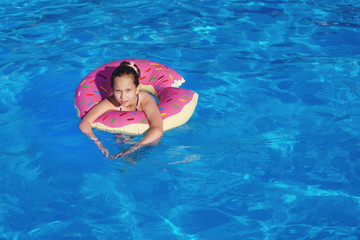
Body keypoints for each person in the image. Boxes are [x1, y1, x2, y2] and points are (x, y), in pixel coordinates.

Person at [78, 61, 163, 158]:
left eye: (128, 90)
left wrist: (132, 149)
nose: (123, 97)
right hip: (122, 135)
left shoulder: (145, 101)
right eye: (118, 91)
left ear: (137, 88)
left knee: (154, 142)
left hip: (142, 141)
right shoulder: (111, 102)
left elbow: (157, 129)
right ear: (112, 89)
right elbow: (84, 123)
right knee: (121, 139)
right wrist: (99, 144)